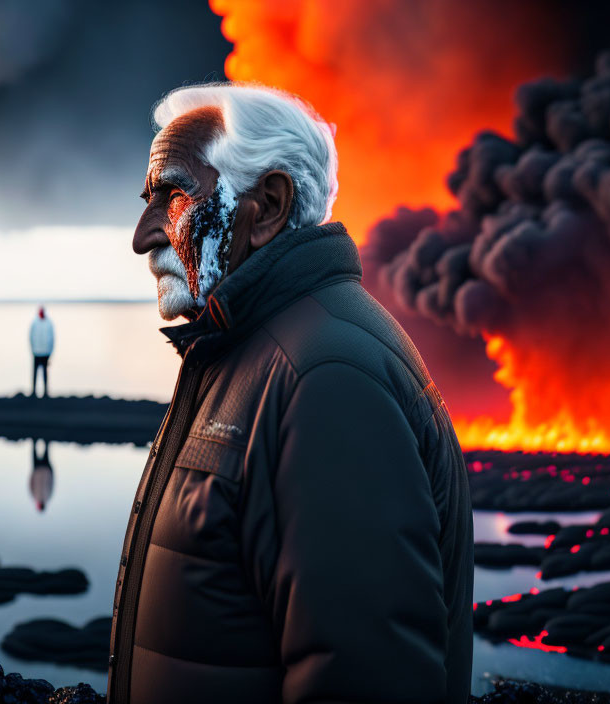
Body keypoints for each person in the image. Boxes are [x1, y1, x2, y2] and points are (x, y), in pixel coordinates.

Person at [107, 83, 473, 704]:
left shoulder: (327, 381)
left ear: (269, 206)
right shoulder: (259, 351)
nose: (143, 237)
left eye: (173, 196)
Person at [29, 306, 54, 398]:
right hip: (36, 351)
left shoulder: (49, 323)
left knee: (44, 372)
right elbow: (31, 337)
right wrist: (32, 349)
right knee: (35, 372)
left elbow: (52, 339)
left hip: (45, 352)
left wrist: (50, 352)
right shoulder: (35, 323)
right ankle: (34, 391)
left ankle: (45, 391)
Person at [29, 438, 54, 512]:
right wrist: (50, 472)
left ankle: (35, 440)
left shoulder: (36, 497)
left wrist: (32, 474)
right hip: (44, 471)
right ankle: (45, 440)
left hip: (39, 472)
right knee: (45, 454)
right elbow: (51, 484)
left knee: (37, 454)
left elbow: (31, 485)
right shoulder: (47, 496)